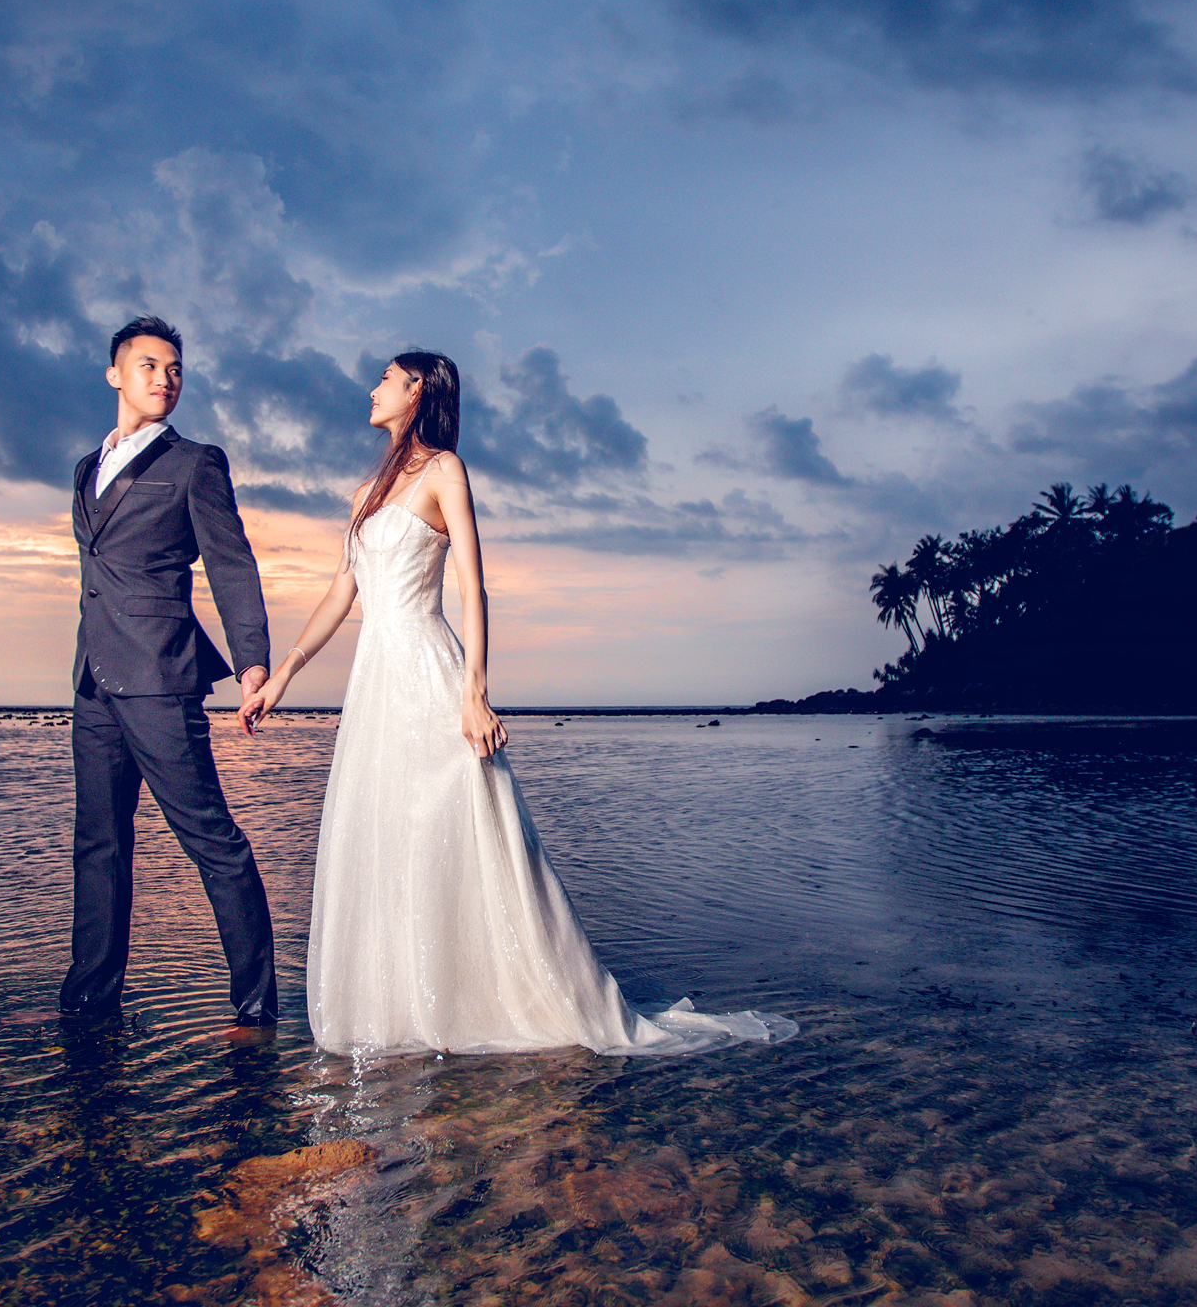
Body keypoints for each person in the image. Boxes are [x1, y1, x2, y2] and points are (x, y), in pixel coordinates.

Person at [240, 350, 793, 1056]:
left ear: (418, 391)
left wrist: (475, 692)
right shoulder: (362, 495)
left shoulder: (445, 471)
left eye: (385, 377)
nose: (372, 388)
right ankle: (404, 1004)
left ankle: (498, 995)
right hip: (375, 688)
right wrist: (284, 673)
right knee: (386, 839)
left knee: (463, 836)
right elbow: (340, 595)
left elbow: (473, 588)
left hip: (430, 674)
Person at [63, 315, 277, 1028]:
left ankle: (255, 1009)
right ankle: (90, 1001)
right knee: (99, 845)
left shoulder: (195, 464)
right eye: (151, 366)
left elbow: (231, 563)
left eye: (175, 370)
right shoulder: (84, 468)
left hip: (161, 677)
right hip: (94, 681)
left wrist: (252, 663)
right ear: (115, 374)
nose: (165, 379)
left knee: (211, 840)